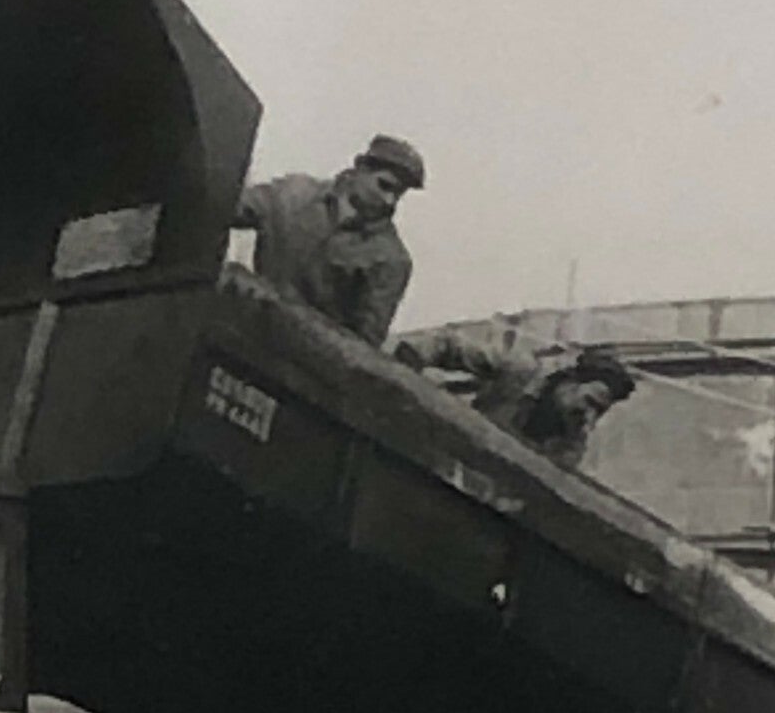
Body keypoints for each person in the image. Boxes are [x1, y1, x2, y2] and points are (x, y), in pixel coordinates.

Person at [227, 135, 425, 348]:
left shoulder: (390, 260)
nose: (390, 200)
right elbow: (222, 209)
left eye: (399, 193)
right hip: (237, 333)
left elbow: (361, 350)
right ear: (360, 168)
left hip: (300, 365)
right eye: (384, 186)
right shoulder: (292, 196)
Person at [394, 321, 637, 470]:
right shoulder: (522, 371)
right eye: (590, 401)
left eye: (599, 412)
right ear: (571, 381)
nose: (589, 416)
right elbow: (449, 346)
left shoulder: (570, 445)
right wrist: (408, 363)